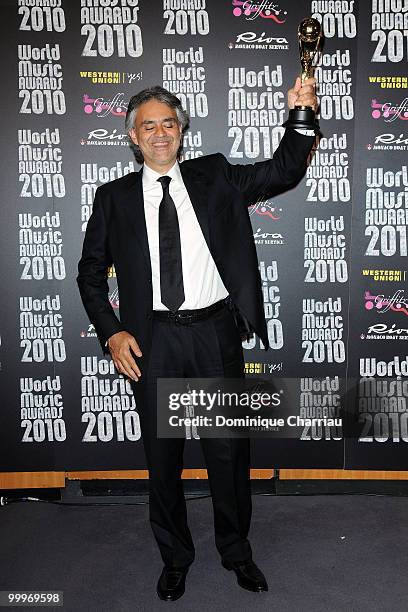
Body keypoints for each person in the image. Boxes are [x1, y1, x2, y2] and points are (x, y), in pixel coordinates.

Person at [77, 77, 317, 601]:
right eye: (149, 126)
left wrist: (301, 116)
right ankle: (175, 559)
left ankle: (237, 553)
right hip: (152, 342)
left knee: (228, 456)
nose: (160, 133)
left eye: (169, 123)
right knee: (163, 459)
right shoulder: (113, 197)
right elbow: (90, 273)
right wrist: (112, 332)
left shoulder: (215, 176)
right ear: (133, 138)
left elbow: (283, 170)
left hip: (213, 334)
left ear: (181, 131)